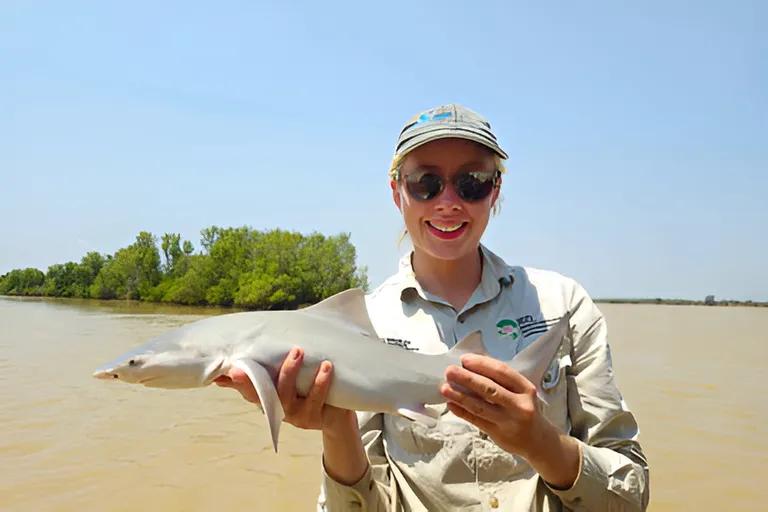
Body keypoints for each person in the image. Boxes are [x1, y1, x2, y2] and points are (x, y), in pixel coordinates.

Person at [215, 104, 649, 511]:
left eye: (472, 182)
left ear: (495, 191)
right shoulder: (358, 323)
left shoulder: (563, 305)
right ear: (396, 191)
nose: (447, 202)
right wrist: (336, 425)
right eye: (425, 183)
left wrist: (540, 442)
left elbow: (631, 496)